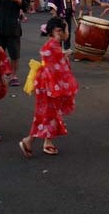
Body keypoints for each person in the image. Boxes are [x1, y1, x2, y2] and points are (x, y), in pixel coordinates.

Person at [18, 17, 79, 158]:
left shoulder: (54, 46)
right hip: (48, 86)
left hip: (47, 84)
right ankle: (29, 140)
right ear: (58, 31)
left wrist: (63, 55)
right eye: (66, 30)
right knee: (46, 114)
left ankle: (47, 141)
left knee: (50, 113)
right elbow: (51, 61)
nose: (68, 33)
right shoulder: (52, 45)